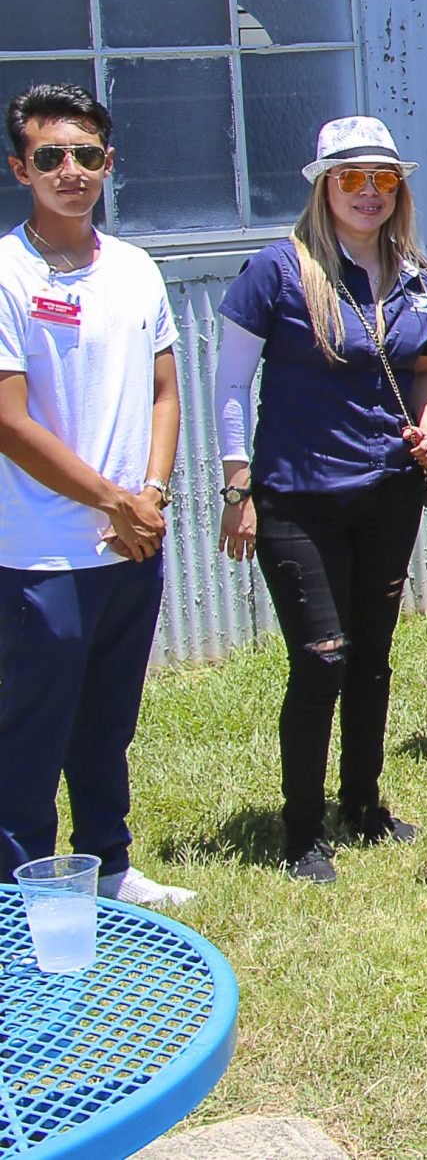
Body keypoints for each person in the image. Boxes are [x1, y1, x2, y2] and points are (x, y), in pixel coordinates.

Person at [217, 117, 427, 885]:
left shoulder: (413, 271)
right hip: (298, 497)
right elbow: (228, 387)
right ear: (324, 185)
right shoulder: (278, 271)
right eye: (351, 178)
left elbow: (422, 369)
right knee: (322, 658)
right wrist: (237, 484)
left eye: (383, 179)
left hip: (389, 491)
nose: (369, 193)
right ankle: (300, 831)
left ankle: (363, 804)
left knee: (373, 658)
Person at [0, 84, 192, 909]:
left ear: (108, 165)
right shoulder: (7, 272)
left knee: (108, 720)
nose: (69, 171)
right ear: (21, 169)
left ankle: (109, 864)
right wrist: (113, 500)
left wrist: (147, 495)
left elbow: (163, 393)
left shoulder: (137, 269)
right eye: (51, 157)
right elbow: (8, 421)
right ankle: (24, 887)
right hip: (39, 547)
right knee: (33, 728)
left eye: (85, 155)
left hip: (130, 541)